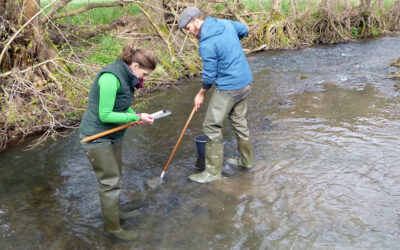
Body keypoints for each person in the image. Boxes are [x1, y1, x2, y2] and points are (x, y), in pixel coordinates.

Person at [79, 45, 157, 240]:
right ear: (135, 66)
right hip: (96, 137)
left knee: (116, 177)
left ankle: (116, 214)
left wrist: (135, 116)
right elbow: (105, 115)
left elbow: (120, 106)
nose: (144, 79)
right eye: (145, 74)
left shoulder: (127, 75)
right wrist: (135, 116)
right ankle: (113, 229)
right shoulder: (110, 78)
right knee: (109, 183)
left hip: (113, 136)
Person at [178, 7, 254, 183]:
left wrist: (201, 93)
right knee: (239, 122)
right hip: (246, 82)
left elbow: (209, 76)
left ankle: (212, 173)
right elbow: (244, 30)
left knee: (211, 126)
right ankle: (246, 161)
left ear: (195, 21)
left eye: (188, 28)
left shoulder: (206, 44)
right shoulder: (225, 23)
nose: (188, 33)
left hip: (229, 87)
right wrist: (231, 45)